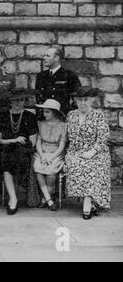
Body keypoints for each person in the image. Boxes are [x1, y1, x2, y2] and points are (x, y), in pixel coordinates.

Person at [64, 86, 111, 220]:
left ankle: (87, 202)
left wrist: (92, 152)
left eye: (86, 100)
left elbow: (103, 137)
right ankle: (90, 204)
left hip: (96, 151)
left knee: (92, 165)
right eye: (79, 100)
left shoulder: (98, 115)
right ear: (75, 101)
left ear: (91, 101)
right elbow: (66, 137)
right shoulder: (71, 115)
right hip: (76, 150)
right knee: (76, 163)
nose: (83, 103)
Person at [0, 88, 38, 215]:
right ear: (10, 101)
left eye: (21, 100)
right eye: (15, 100)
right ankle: (13, 198)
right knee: (6, 158)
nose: (18, 103)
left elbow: (32, 141)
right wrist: (13, 140)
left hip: (23, 149)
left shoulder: (30, 116)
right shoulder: (3, 115)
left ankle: (15, 196)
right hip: (6, 147)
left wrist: (21, 144)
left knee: (18, 155)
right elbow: (0, 140)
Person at [33, 99, 67, 211]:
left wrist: (51, 157)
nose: (44, 114)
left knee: (51, 170)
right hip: (42, 152)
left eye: (47, 112)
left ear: (55, 113)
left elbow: (61, 146)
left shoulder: (63, 126)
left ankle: (45, 198)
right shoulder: (41, 124)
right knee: (38, 167)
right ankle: (49, 199)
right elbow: (38, 142)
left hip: (56, 153)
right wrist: (42, 156)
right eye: (44, 112)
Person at [35, 46, 81, 117]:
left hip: (61, 117)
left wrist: (68, 113)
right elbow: (38, 97)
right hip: (43, 117)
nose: (44, 58)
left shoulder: (69, 75)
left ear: (56, 58)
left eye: (47, 56)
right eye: (44, 56)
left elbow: (78, 98)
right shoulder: (41, 76)